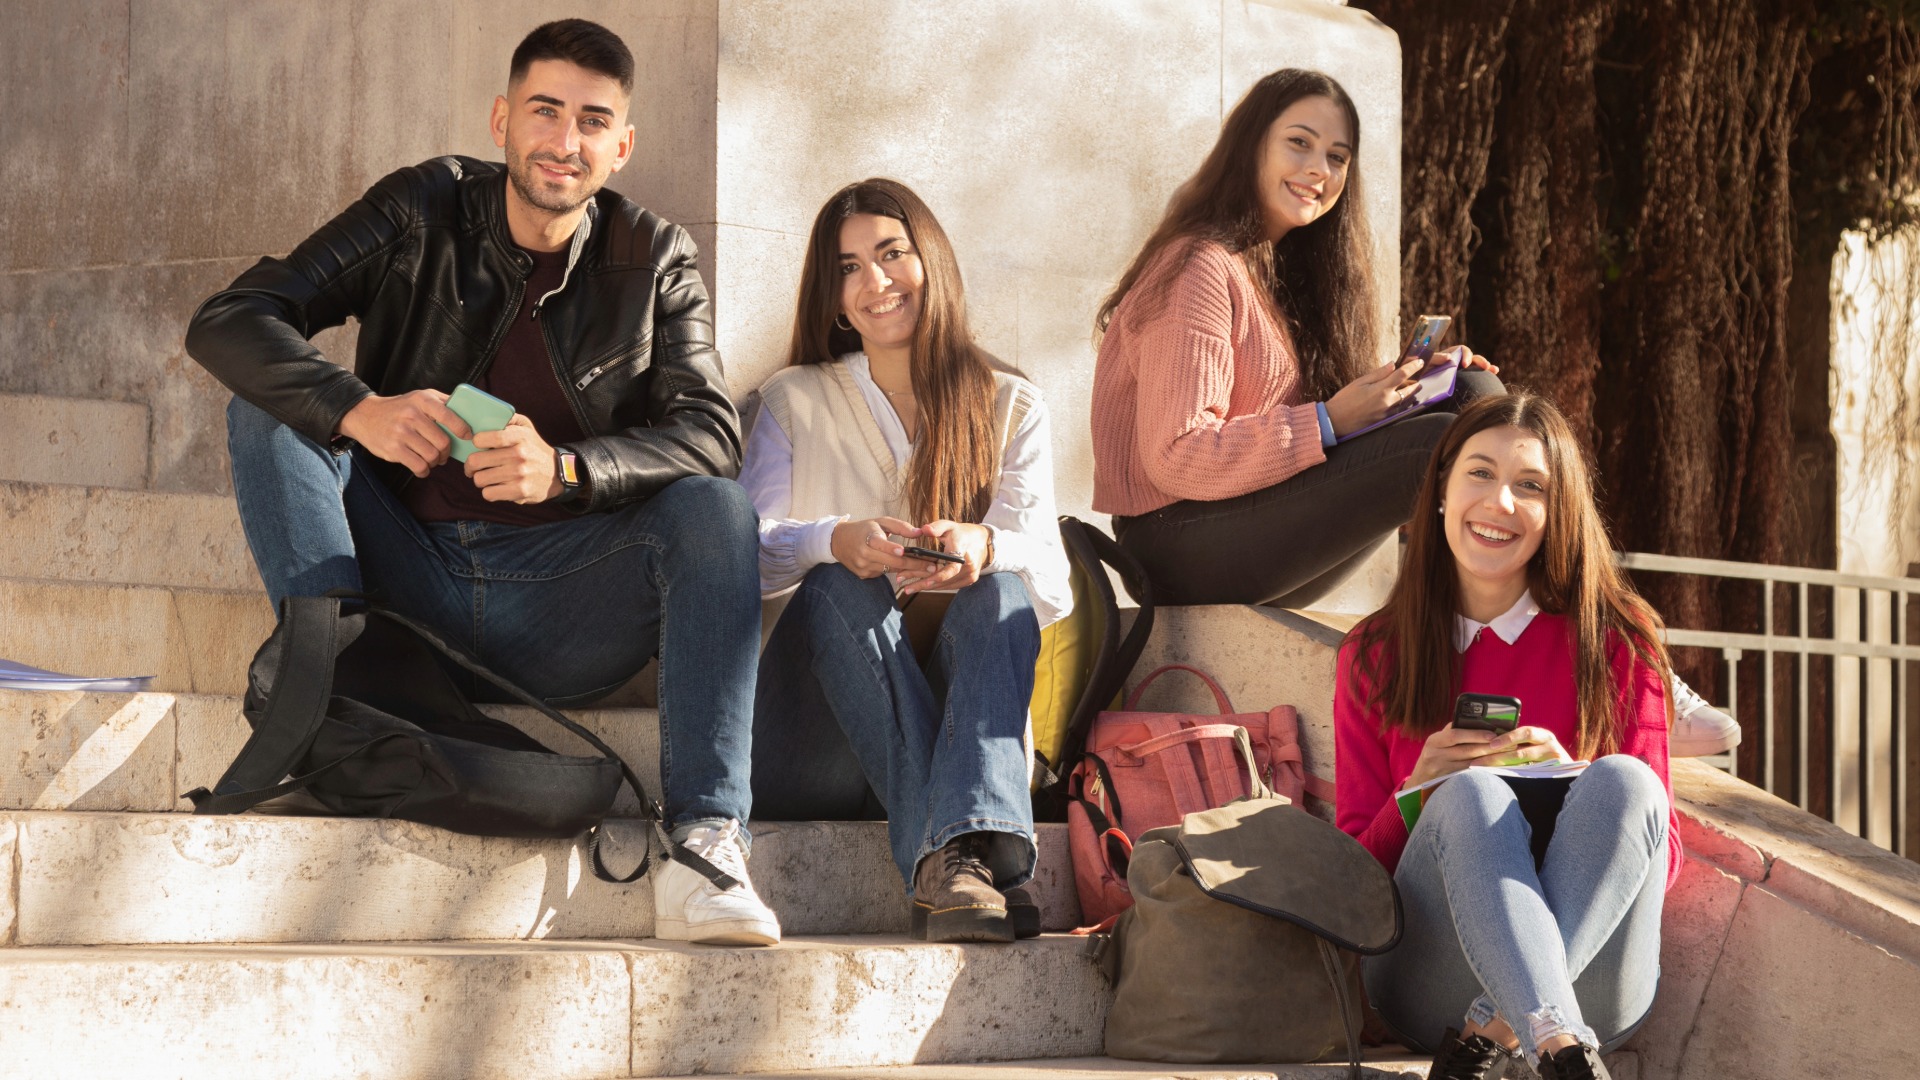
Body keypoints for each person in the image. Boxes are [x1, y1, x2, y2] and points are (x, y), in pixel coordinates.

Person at [184, 19, 781, 946]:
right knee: (270, 408)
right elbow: (233, 317)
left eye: (592, 122)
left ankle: (704, 844)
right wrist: (357, 408)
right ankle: (318, 685)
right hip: (398, 576)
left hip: (560, 603)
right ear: (504, 119)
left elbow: (711, 434)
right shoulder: (423, 207)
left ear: (621, 146)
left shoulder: (655, 256)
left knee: (714, 509)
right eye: (546, 111)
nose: (565, 141)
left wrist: (569, 472)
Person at [739, 179, 1072, 943]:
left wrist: (986, 546)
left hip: (963, 747)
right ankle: (976, 851)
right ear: (831, 296)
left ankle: (952, 862)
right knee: (834, 581)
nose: (875, 282)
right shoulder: (793, 398)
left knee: (1006, 592)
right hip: (809, 750)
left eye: (891, 254)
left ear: (933, 261)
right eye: (848, 267)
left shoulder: (1011, 404)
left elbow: (1051, 582)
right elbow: (748, 553)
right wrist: (835, 540)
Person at [1334, 393, 1682, 1080]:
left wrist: (1576, 785)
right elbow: (1354, 880)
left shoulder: (1619, 638)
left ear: (1557, 514)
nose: (1502, 504)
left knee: (1625, 781)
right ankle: (1558, 1048)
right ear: (1440, 490)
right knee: (1467, 798)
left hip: (1598, 980)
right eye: (1480, 474)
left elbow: (1662, 852)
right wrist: (1416, 795)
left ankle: (1505, 1029)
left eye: (1531, 487)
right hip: (1427, 982)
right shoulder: (1373, 652)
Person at [1090, 68, 1504, 609]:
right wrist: (1329, 421)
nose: (1319, 169)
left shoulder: (1289, 274)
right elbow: (1177, 453)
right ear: (1251, 146)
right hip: (1175, 543)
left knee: (1473, 394)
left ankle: (1521, 609)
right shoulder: (1199, 266)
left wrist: (1414, 385)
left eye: (1337, 156)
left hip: (1257, 520)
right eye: (1299, 143)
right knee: (1435, 447)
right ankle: (1491, 614)